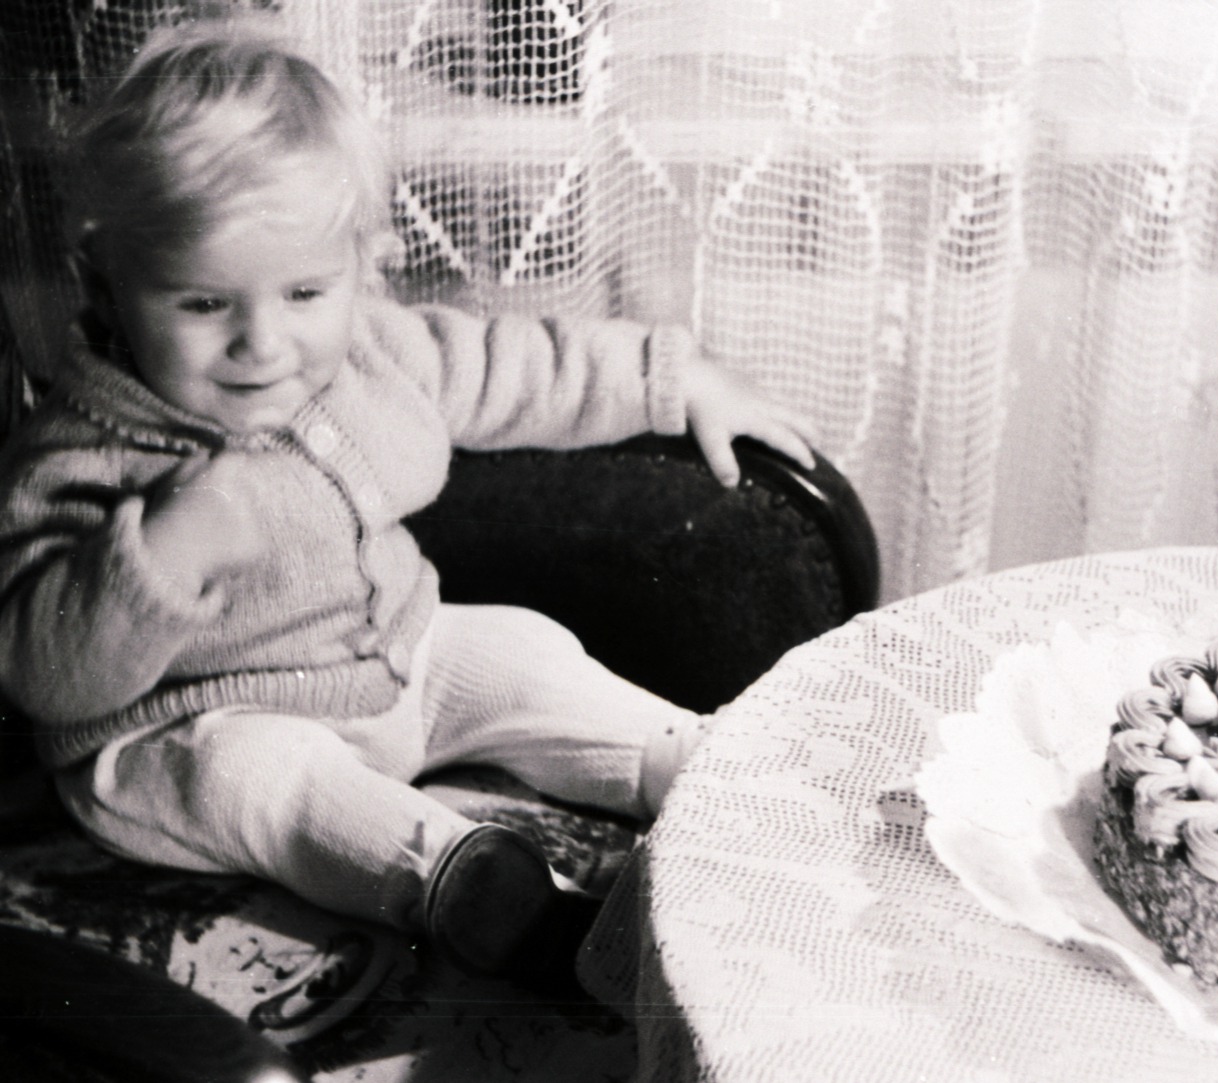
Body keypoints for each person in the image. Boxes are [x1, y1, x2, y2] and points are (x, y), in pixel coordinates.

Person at [0, 14, 814, 981]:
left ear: (358, 263)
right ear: (107, 282)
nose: (263, 344)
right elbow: (42, 676)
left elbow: (521, 366)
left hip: (399, 663)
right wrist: (159, 558)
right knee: (260, 780)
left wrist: (673, 379)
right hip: (195, 728)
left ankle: (702, 764)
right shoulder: (78, 452)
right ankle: (476, 887)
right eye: (204, 303)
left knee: (516, 646)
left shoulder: (374, 353)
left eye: (304, 294)